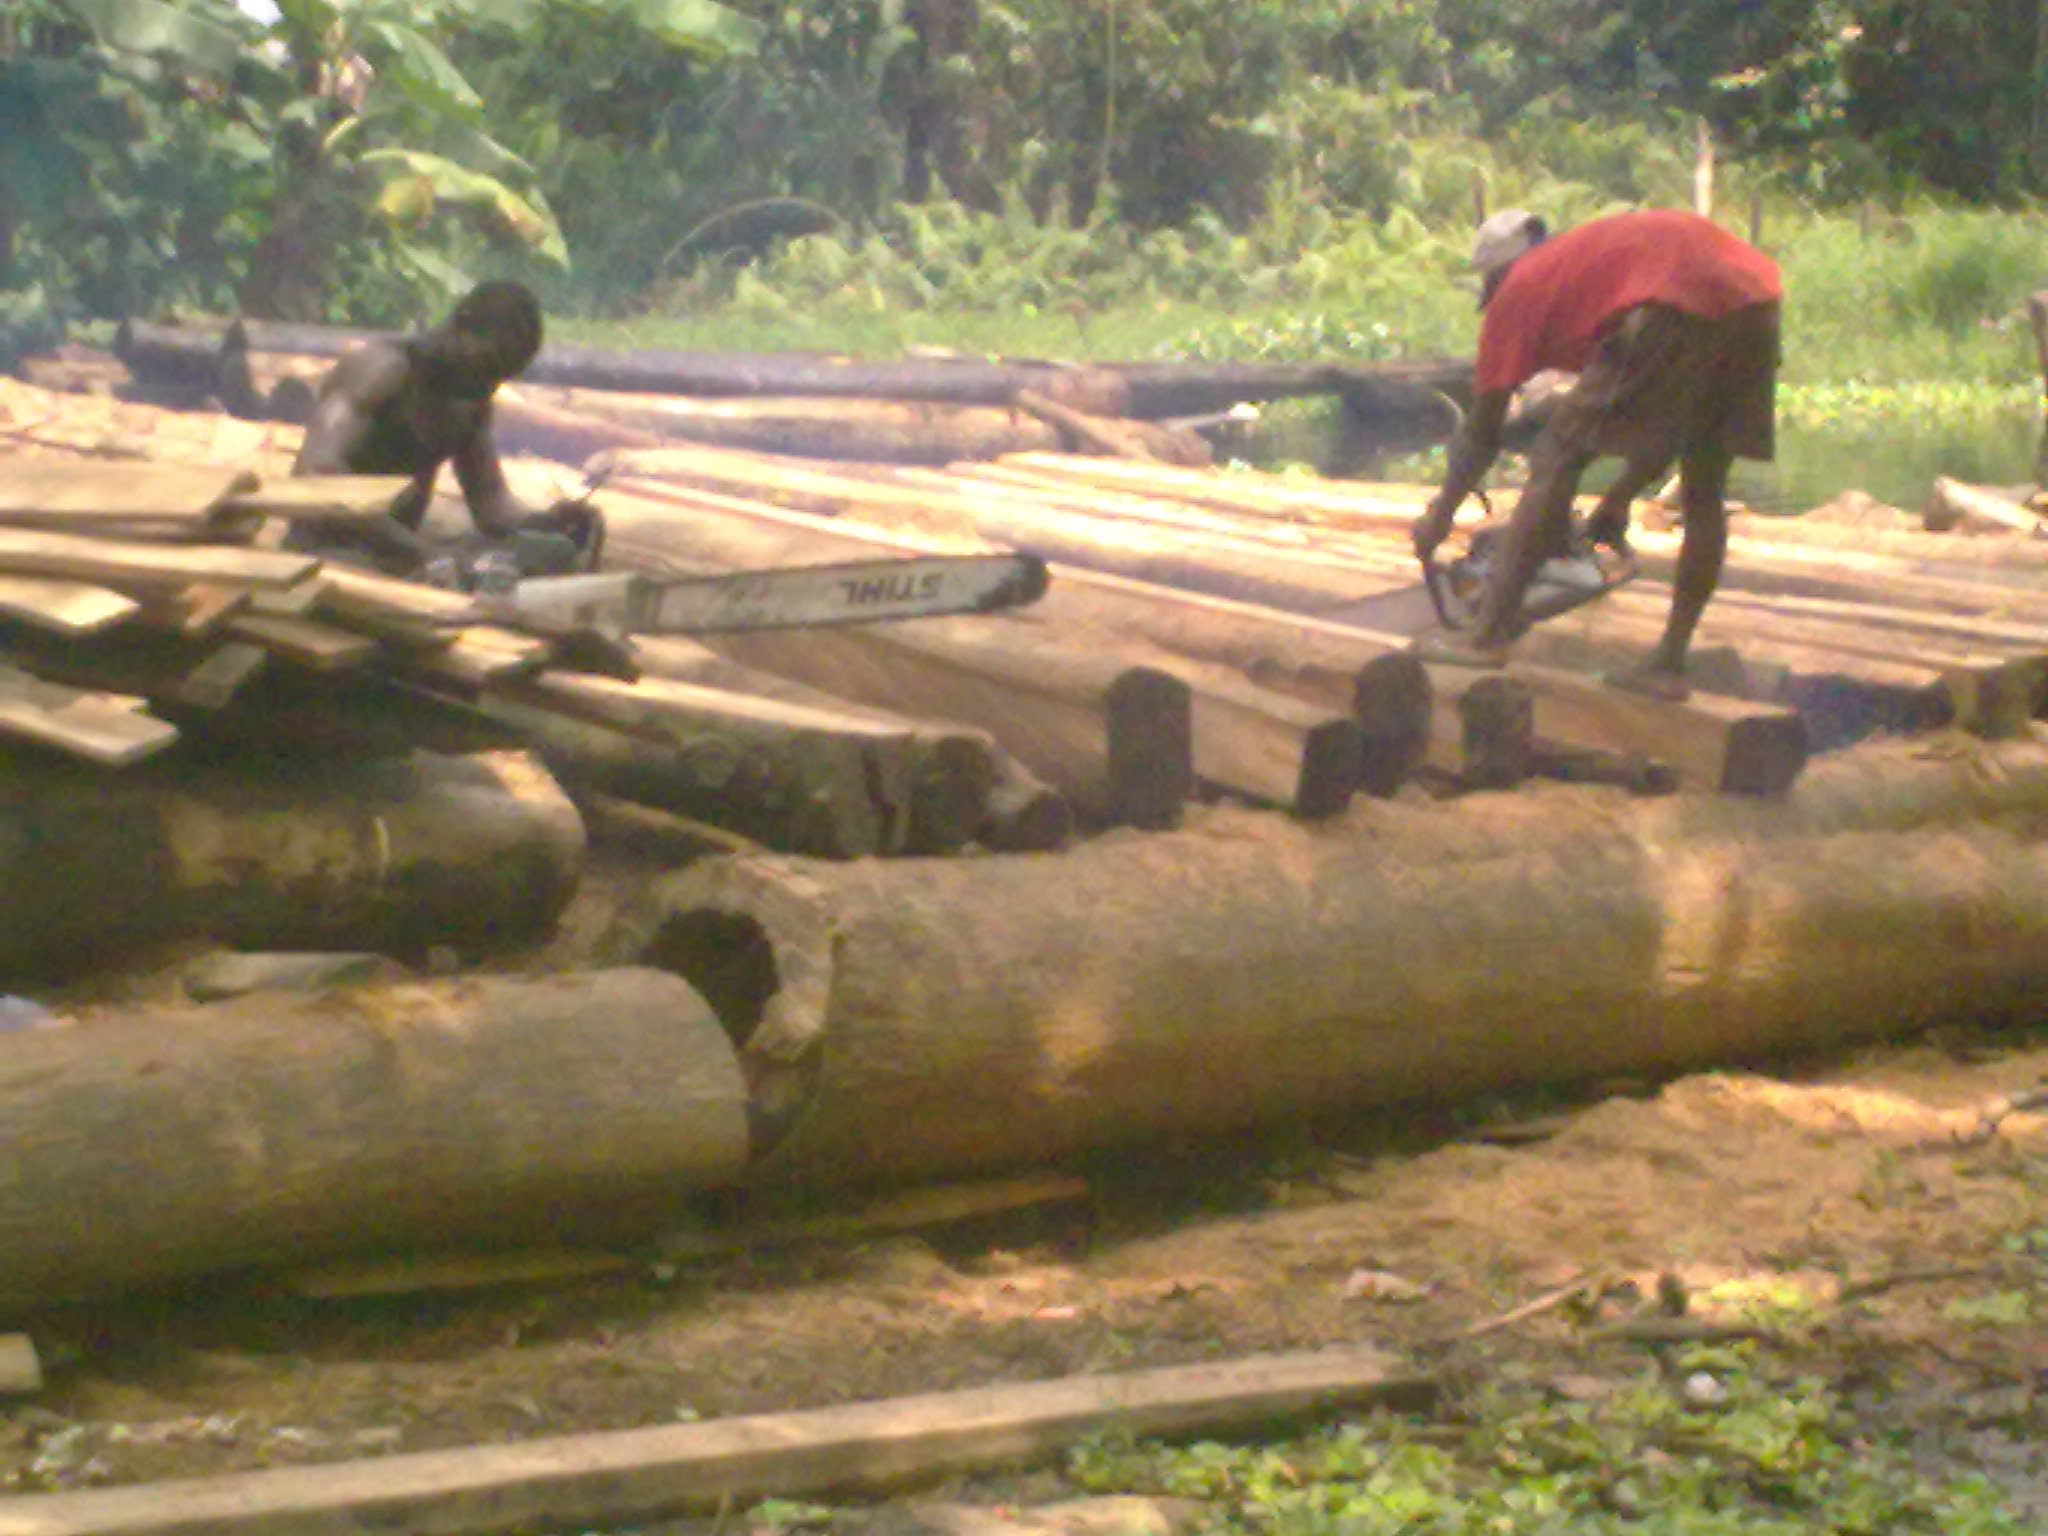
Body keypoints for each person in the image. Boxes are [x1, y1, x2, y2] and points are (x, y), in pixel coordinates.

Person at [1410, 207, 1783, 698]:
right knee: (1704, 482)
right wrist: (1620, 497)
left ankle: (1487, 637)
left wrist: (1441, 515)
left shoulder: (1516, 290)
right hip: (1755, 294)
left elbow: (1482, 433)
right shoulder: (1581, 265)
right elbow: (1669, 422)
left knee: (1559, 456)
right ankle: (1668, 666)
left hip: (1673, 296)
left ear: (1494, 275)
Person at [290, 279, 600, 579]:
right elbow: (317, 476)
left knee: (553, 552)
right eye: (487, 364)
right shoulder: (383, 368)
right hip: (334, 548)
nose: (488, 384)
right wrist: (421, 550)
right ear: (460, 323)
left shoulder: (469, 401)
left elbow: (491, 506)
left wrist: (549, 522)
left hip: (407, 552)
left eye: (502, 375)